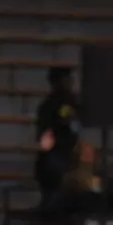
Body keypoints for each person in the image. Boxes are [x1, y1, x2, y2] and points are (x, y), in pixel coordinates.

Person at [34, 66, 80, 202]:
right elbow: (45, 136)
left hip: (65, 158)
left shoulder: (70, 104)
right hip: (55, 160)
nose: (70, 83)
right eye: (67, 80)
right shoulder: (53, 106)